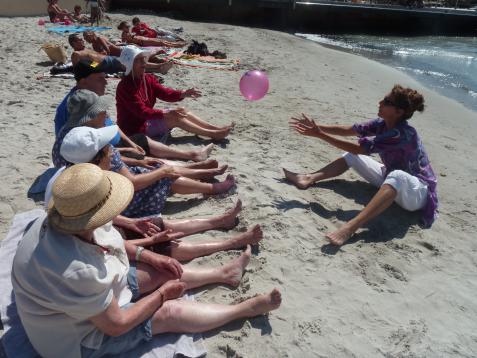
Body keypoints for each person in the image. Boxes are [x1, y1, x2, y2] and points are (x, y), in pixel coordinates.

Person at [12, 163, 282, 358]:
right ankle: (244, 309)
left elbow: (118, 244)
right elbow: (115, 326)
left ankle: (224, 274)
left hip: (90, 298)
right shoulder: (75, 270)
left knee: (164, 271)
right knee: (169, 312)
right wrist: (163, 296)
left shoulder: (67, 222)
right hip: (80, 340)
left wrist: (150, 255)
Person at [49, 125, 264, 261]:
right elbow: (98, 243)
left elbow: (98, 215)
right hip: (95, 250)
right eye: (107, 150)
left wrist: (130, 223)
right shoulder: (78, 190)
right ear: (97, 159)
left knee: (155, 225)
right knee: (162, 243)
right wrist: (145, 246)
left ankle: (220, 220)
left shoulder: (69, 181)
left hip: (99, 236)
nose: (111, 152)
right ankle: (231, 243)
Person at [283, 85, 438, 246]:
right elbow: (350, 130)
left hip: (417, 193)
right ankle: (308, 178)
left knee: (396, 175)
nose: (380, 102)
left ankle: (351, 227)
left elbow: (360, 148)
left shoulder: (401, 134)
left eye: (386, 101)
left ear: (398, 112)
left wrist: (320, 135)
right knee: (358, 159)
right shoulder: (383, 124)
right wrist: (317, 128)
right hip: (392, 179)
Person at [52, 89, 236, 218]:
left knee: (153, 165)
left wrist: (136, 159)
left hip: (99, 189)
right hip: (110, 198)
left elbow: (105, 161)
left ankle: (202, 172)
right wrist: (158, 172)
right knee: (162, 175)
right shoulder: (90, 140)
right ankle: (212, 188)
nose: (106, 114)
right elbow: (130, 182)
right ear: (90, 116)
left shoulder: (75, 137)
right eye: (102, 111)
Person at [55, 59, 213, 163]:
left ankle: (201, 145)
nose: (106, 82)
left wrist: (130, 143)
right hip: (102, 154)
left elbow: (112, 125)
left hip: (120, 141)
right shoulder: (75, 105)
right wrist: (127, 150)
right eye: (100, 78)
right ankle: (194, 154)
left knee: (142, 140)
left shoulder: (92, 98)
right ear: (83, 81)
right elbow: (86, 149)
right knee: (151, 159)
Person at [116, 46, 234, 140]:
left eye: (143, 59)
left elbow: (164, 93)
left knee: (182, 110)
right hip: (134, 129)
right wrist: (166, 113)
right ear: (130, 65)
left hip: (145, 120)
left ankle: (215, 129)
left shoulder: (147, 78)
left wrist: (183, 93)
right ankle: (212, 134)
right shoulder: (125, 86)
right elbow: (142, 112)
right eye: (138, 60)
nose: (144, 63)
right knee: (176, 118)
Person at [68, 34, 172, 75]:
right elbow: (77, 69)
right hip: (105, 63)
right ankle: (158, 67)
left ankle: (158, 67)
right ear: (74, 43)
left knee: (129, 65)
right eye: (80, 40)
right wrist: (96, 66)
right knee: (130, 64)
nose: (83, 40)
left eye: (82, 39)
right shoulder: (76, 54)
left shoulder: (86, 49)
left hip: (108, 59)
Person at [118, 21, 185, 48]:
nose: (128, 28)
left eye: (128, 26)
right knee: (161, 43)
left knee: (160, 41)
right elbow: (125, 43)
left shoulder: (127, 32)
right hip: (143, 42)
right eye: (127, 27)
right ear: (122, 28)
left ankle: (177, 44)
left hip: (144, 39)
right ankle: (177, 45)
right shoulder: (124, 34)